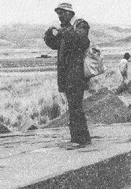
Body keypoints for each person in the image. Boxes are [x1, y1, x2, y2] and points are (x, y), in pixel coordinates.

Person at [44, 2, 91, 147]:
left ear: (70, 14)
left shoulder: (80, 25)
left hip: (76, 75)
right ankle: (80, 137)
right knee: (73, 107)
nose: (59, 17)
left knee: (75, 107)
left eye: (62, 13)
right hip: (66, 76)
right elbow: (54, 44)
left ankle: (80, 139)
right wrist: (49, 33)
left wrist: (62, 31)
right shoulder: (66, 30)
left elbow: (81, 40)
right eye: (58, 14)